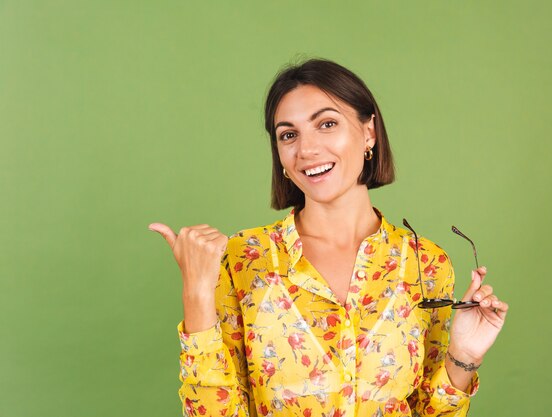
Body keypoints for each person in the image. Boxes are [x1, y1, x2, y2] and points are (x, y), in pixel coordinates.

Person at [149, 58, 509, 417]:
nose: (307, 149)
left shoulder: (426, 263)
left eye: (326, 124)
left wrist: (464, 358)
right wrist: (196, 293)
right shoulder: (244, 258)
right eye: (288, 134)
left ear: (369, 132)